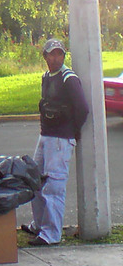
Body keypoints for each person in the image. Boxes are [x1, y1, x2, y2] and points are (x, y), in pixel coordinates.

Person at [22, 38, 89, 246]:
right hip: (46, 136)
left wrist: (73, 131)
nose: (56, 57)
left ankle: (51, 234)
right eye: (52, 53)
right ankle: (39, 225)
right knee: (35, 180)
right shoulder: (47, 76)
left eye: (60, 53)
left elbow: (83, 108)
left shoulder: (69, 78)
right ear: (45, 56)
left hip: (61, 139)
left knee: (54, 187)